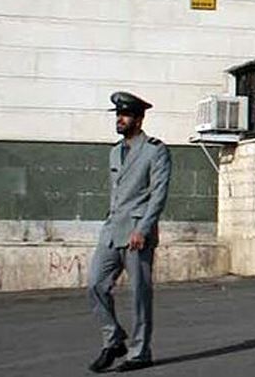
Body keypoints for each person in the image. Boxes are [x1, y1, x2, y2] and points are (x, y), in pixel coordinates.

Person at [87, 91, 172, 373]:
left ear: (138, 119)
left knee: (138, 295)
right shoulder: (115, 151)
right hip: (112, 231)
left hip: (137, 233)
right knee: (96, 284)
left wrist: (143, 229)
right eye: (118, 115)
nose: (119, 120)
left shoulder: (155, 150)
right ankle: (113, 340)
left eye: (124, 115)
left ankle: (140, 352)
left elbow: (158, 195)